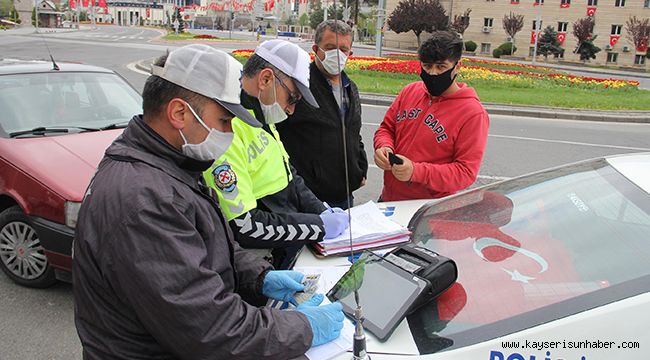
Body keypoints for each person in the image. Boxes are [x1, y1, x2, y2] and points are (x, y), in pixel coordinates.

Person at [73, 44, 344, 359]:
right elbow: (211, 330)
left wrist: (258, 277)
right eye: (224, 120)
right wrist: (302, 328)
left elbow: (202, 247)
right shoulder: (144, 201)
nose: (228, 132)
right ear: (179, 113)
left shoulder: (169, 164)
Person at [203, 39, 349, 270]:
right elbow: (244, 225)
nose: (291, 110)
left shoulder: (261, 117)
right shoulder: (227, 128)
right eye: (292, 98)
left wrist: (320, 209)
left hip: (283, 246)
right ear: (266, 79)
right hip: (255, 265)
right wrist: (318, 225)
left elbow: (289, 177)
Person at [373, 30, 489, 201]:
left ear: (457, 66)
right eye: (427, 66)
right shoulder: (410, 91)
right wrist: (384, 147)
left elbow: (465, 173)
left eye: (441, 66)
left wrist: (416, 172)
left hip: (428, 209)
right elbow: (387, 128)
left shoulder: (473, 113)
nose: (433, 73)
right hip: (389, 198)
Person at [276, 20, 368, 210]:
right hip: (308, 198)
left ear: (350, 54)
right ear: (316, 49)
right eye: (330, 47)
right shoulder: (299, 86)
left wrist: (360, 168)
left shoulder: (351, 88)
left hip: (345, 196)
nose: (338, 54)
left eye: (343, 49)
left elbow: (352, 132)